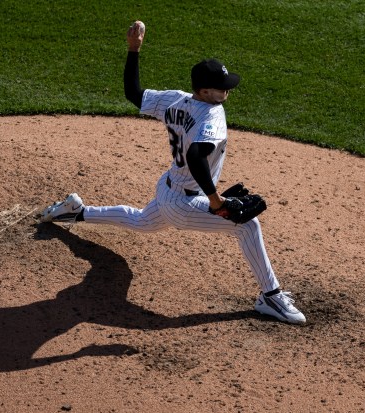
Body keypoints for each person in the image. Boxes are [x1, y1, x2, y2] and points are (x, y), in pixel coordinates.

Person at [40, 21, 305, 324]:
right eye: (222, 88)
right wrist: (215, 201)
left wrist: (133, 51)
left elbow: (133, 93)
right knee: (247, 225)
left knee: (141, 221)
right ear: (205, 91)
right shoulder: (212, 114)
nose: (227, 91)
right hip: (184, 204)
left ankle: (77, 212)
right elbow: (195, 155)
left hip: (168, 189)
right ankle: (271, 298)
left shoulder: (175, 99)